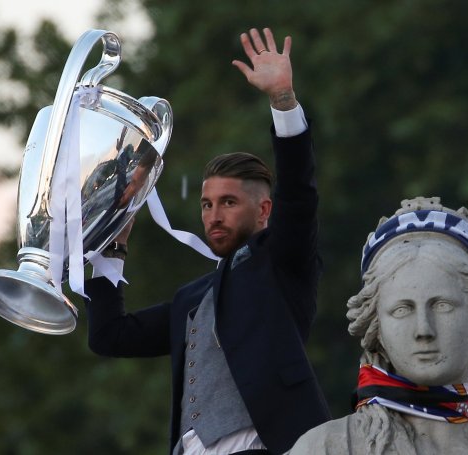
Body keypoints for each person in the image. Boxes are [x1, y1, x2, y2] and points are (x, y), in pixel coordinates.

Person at [84, 27, 331, 455]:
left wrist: (283, 101)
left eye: (229, 202)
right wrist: (113, 245)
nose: (213, 216)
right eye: (206, 204)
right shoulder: (191, 299)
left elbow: (299, 192)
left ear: (264, 211)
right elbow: (110, 337)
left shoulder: (282, 263)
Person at [287, 197, 468, 455]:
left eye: (442, 306)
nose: (423, 330)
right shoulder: (325, 449)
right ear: (376, 331)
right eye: (402, 310)